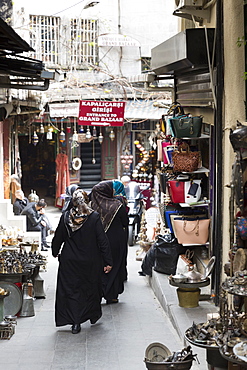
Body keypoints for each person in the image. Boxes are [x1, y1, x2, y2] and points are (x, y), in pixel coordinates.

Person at [51, 189, 112, 334]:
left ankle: (75, 322)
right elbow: (102, 240)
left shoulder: (66, 217)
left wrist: (55, 251)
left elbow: (58, 237)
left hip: (69, 261)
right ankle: (91, 314)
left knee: (71, 290)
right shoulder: (94, 217)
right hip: (90, 261)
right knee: (89, 289)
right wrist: (108, 261)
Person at [91, 180, 129, 304]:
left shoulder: (91, 207)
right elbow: (125, 222)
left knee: (100, 266)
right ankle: (112, 295)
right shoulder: (117, 205)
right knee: (115, 265)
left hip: (97, 242)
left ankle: (99, 292)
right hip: (116, 241)